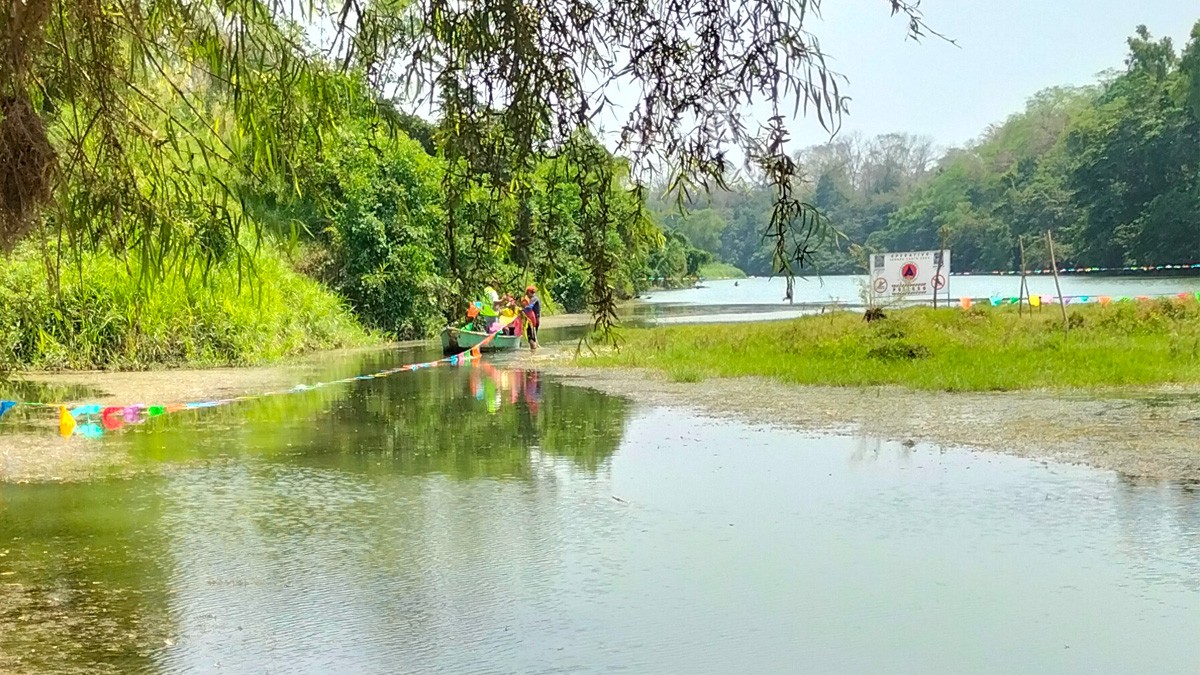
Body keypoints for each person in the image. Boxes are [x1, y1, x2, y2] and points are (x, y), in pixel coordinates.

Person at [522, 285, 541, 350]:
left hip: (534, 320)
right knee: (532, 337)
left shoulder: (534, 299)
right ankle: (533, 350)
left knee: (531, 338)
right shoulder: (533, 299)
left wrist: (522, 310)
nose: (527, 295)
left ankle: (533, 352)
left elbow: (529, 308)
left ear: (530, 292)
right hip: (533, 320)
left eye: (527, 293)